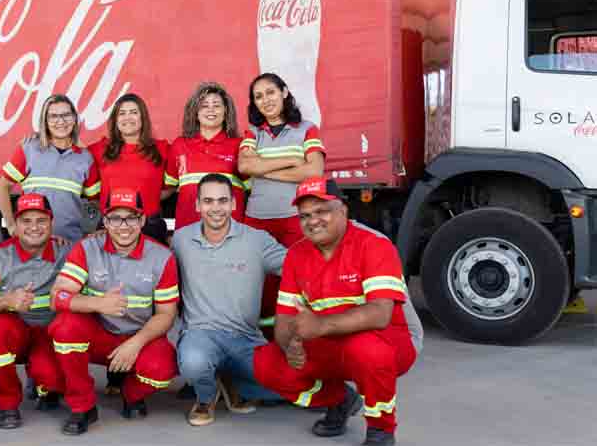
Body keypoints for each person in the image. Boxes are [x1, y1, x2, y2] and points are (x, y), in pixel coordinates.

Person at [253, 177, 423, 446]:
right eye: (305, 215)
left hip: (389, 338)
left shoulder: (373, 244)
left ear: (342, 210)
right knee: (266, 363)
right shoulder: (297, 255)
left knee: (366, 350)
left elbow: (380, 314)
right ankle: (341, 399)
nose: (313, 221)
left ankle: (381, 429)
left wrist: (319, 326)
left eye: (322, 211)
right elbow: (285, 317)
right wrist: (289, 345)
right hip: (332, 341)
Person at [48, 188, 179, 435]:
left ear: (142, 220)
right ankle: (83, 406)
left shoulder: (162, 257)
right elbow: (58, 296)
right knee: (65, 326)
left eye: (131, 217)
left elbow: (166, 314)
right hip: (99, 335)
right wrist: (97, 304)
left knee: (164, 368)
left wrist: (136, 343)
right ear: (105, 221)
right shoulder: (87, 248)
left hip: (139, 337)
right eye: (115, 218)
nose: (123, 226)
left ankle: (131, 393)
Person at [172, 173, 286, 426]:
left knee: (287, 389)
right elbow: (151, 260)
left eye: (222, 201)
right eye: (209, 201)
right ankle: (206, 396)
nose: (216, 208)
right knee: (194, 363)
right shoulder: (181, 240)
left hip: (246, 339)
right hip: (200, 334)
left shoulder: (257, 240)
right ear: (198, 205)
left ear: (233, 204)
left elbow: (297, 266)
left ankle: (233, 381)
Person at [0, 193, 69, 429]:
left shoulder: (66, 252)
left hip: (49, 332)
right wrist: (6, 301)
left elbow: (100, 251)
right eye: (26, 221)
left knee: (52, 379)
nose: (34, 227)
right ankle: (7, 402)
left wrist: (100, 233)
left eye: (41, 221)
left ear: (51, 223)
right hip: (16, 331)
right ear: (15, 224)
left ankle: (45, 384)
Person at [238, 73, 326, 337]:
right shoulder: (252, 132)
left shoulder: (306, 128)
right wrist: (291, 158)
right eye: (258, 96)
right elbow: (244, 166)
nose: (266, 100)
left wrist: (262, 169)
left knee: (297, 278)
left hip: (293, 218)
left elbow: (315, 172)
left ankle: (296, 338)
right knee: (259, 284)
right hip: (257, 220)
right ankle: (265, 339)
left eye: (271, 92)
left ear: (284, 92)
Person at [0, 94, 100, 242]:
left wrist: (89, 231)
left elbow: (94, 201)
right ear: (45, 121)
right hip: (33, 244)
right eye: (53, 116)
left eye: (66, 115)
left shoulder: (85, 158)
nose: (61, 121)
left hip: (70, 244)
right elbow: (2, 187)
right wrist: (11, 225)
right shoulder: (29, 149)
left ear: (75, 119)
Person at [88, 93, 174, 243]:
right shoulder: (99, 149)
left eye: (134, 112)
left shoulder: (162, 149)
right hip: (110, 225)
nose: (128, 117)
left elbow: (171, 187)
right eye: (122, 113)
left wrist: (148, 198)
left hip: (149, 226)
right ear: (115, 120)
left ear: (143, 118)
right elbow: (94, 195)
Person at [165, 82, 247, 230]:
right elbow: (166, 189)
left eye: (216, 105)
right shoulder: (179, 145)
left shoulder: (240, 145)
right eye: (204, 105)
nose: (211, 110)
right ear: (195, 111)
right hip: (188, 233)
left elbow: (253, 190)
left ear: (226, 111)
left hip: (230, 233)